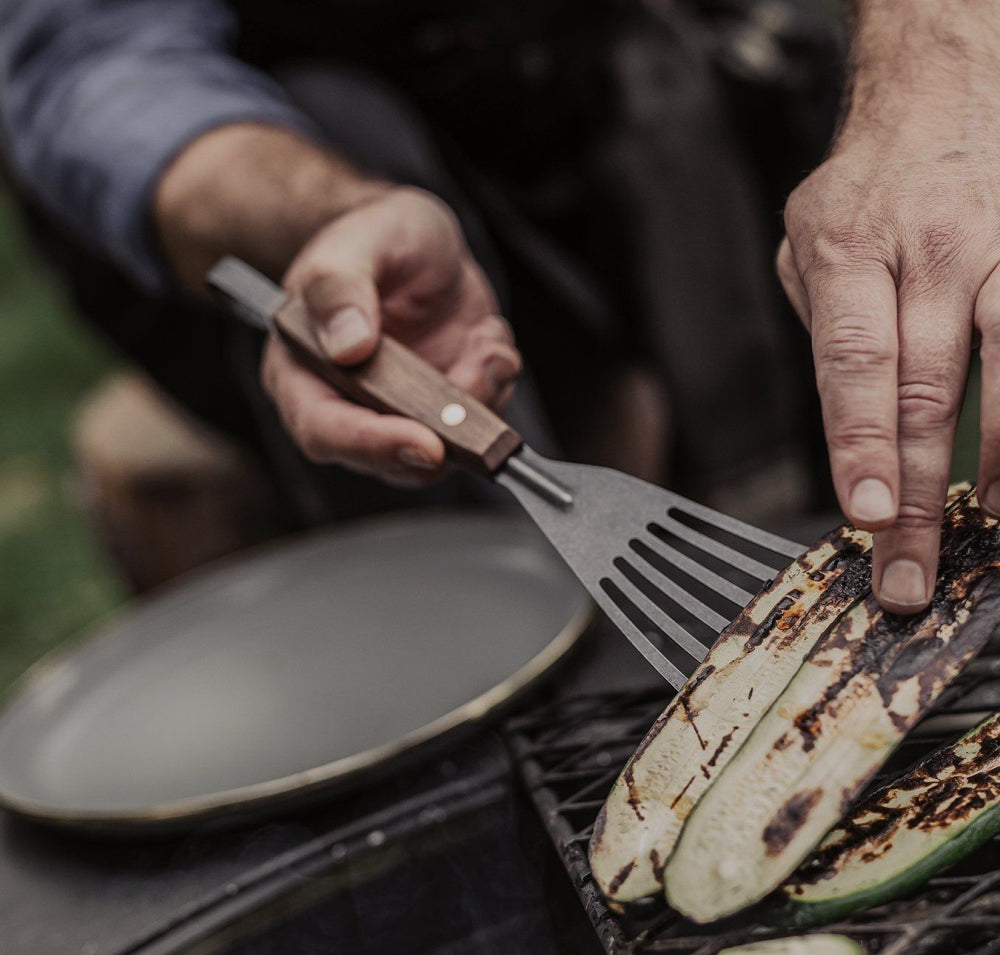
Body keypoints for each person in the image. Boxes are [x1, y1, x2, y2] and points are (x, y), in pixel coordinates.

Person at [1, 0, 988, 616]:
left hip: (580, 67)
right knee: (357, 129)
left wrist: (933, 83)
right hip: (305, 147)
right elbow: (90, 65)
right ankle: (495, 643)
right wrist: (328, 210)